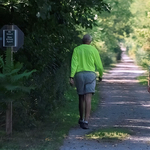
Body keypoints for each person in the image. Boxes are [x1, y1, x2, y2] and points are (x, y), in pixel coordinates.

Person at [70, 34, 103, 129]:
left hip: (79, 75)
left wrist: (71, 76)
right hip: (90, 75)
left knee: (81, 97)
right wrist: (101, 75)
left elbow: (74, 64)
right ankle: (86, 120)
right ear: (90, 41)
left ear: (82, 41)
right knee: (88, 98)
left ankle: (80, 118)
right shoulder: (93, 50)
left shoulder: (77, 49)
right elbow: (99, 65)